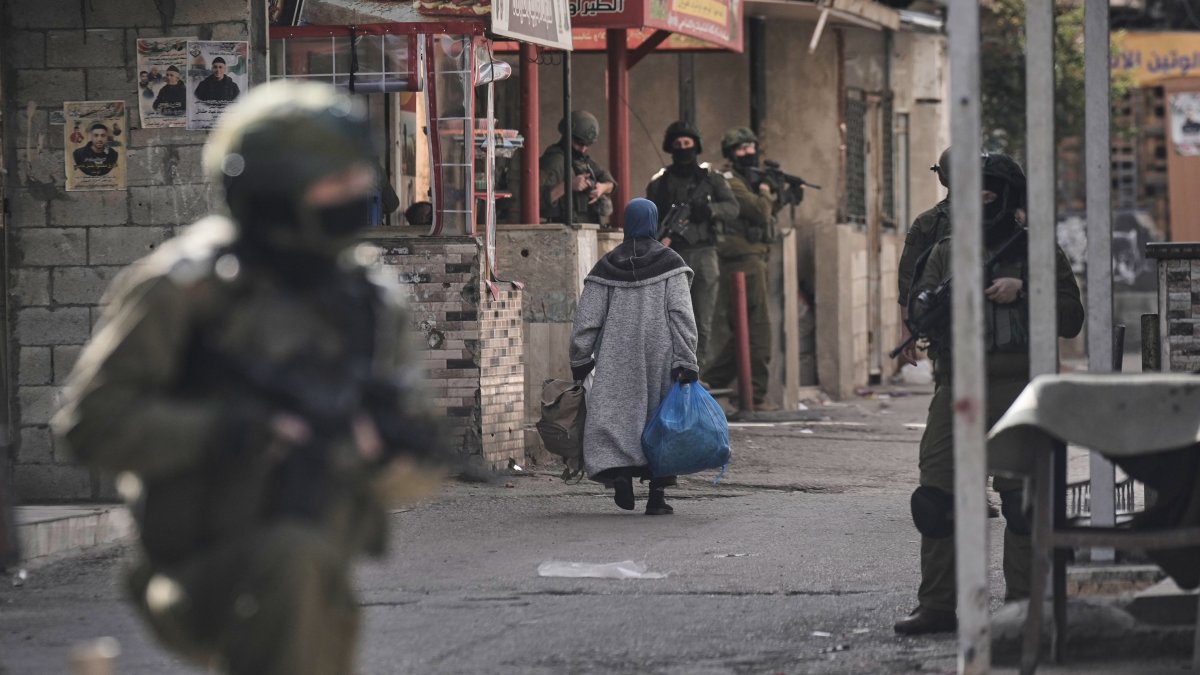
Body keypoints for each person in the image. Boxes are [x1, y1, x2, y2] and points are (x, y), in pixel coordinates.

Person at [51, 81, 443, 675]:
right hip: (201, 565)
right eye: (335, 181)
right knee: (292, 561)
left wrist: (381, 453)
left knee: (301, 567)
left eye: (357, 177)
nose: (358, 193)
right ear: (274, 189)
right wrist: (232, 430)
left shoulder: (365, 298)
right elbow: (91, 424)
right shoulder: (185, 289)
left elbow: (412, 469)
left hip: (316, 572)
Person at [894, 152, 1084, 635]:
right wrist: (942, 303)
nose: (980, 202)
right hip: (958, 386)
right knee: (936, 499)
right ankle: (937, 605)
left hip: (1021, 387)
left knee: (1021, 501)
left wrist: (1024, 288)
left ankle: (1022, 607)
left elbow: (1071, 317)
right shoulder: (946, 251)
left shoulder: (1038, 250)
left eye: (990, 193)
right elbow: (919, 314)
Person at [568, 198, 699, 515]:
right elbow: (682, 316)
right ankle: (656, 497)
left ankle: (622, 476)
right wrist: (686, 359)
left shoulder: (606, 266)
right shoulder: (671, 265)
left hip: (616, 356)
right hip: (661, 357)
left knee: (617, 418)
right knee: (661, 422)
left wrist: (580, 358)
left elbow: (586, 320)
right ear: (653, 223)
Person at [645, 121, 738, 370]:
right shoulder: (659, 182)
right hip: (672, 255)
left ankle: (698, 373)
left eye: (688, 144)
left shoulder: (712, 180)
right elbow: (650, 219)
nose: (683, 148)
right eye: (678, 144)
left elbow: (732, 208)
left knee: (701, 319)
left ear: (696, 146)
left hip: (705, 254)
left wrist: (708, 210)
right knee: (671, 319)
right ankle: (672, 372)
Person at [704, 126, 778, 410]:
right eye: (741, 149)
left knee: (745, 334)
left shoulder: (749, 180)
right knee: (757, 331)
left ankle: (712, 382)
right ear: (731, 154)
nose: (749, 153)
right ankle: (754, 397)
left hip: (755, 260)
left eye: (751, 147)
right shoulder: (731, 181)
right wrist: (766, 193)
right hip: (741, 264)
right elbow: (759, 211)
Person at [896, 147, 952, 367]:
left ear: (941, 177)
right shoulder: (1004, 220)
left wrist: (908, 330)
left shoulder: (928, 222)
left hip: (946, 329)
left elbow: (907, 280)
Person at [538, 111, 616, 227]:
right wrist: (569, 185)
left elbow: (611, 183)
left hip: (586, 229)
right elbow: (538, 202)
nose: (583, 149)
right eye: (579, 144)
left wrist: (601, 188)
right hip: (563, 231)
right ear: (567, 137)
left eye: (587, 145)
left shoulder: (582, 160)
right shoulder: (554, 162)